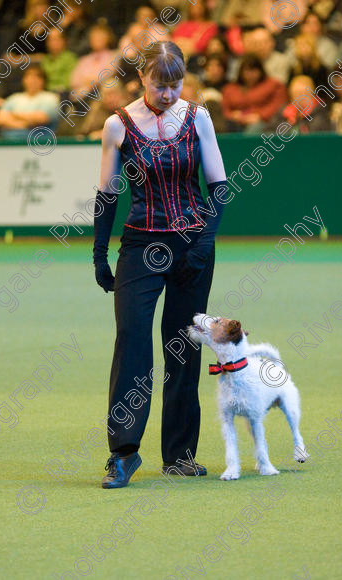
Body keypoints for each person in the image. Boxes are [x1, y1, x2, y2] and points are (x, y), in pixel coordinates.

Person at [93, 41, 228, 489]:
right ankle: (124, 453)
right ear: (141, 80)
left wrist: (203, 242)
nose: (168, 94)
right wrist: (99, 253)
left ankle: (180, 455)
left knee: (183, 345)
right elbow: (108, 195)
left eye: (175, 85)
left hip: (192, 247)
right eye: (159, 85)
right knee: (132, 339)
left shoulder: (198, 117)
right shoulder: (118, 125)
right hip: (140, 246)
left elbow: (220, 187)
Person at [222, 55, 287, 133]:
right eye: (247, 71)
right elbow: (224, 108)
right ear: (241, 72)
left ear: (260, 71)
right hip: (235, 122)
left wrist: (260, 116)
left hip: (264, 122)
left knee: (253, 130)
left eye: (254, 71)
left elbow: (278, 105)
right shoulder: (230, 88)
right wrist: (232, 115)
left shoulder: (274, 85)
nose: (250, 75)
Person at [0, 64, 59, 140]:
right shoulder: (14, 98)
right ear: (23, 80)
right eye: (28, 76)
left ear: (43, 80)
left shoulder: (50, 98)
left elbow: (41, 118)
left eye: (36, 77)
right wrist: (25, 125)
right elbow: (0, 119)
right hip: (9, 142)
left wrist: (13, 115)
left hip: (39, 143)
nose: (32, 80)